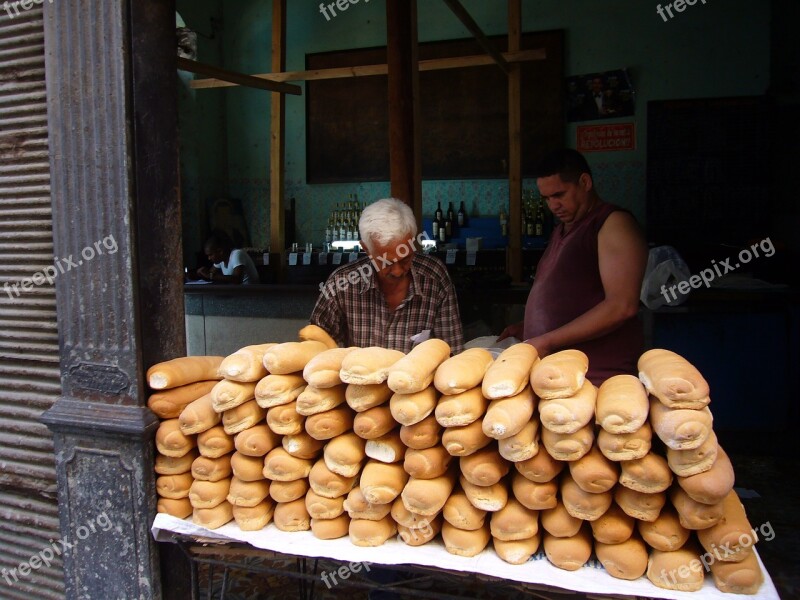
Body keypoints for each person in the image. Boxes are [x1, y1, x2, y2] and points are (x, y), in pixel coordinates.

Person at [499, 149, 647, 384]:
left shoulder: (612, 223)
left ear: (585, 182)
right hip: (558, 374)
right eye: (546, 198)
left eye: (559, 194)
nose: (553, 206)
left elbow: (621, 306)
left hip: (597, 375)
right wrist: (529, 325)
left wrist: (547, 340)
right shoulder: (562, 229)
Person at [310, 198, 463, 354]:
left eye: (405, 258)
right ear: (366, 250)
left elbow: (452, 351)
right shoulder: (342, 284)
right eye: (386, 263)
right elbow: (316, 345)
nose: (397, 271)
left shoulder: (434, 278)